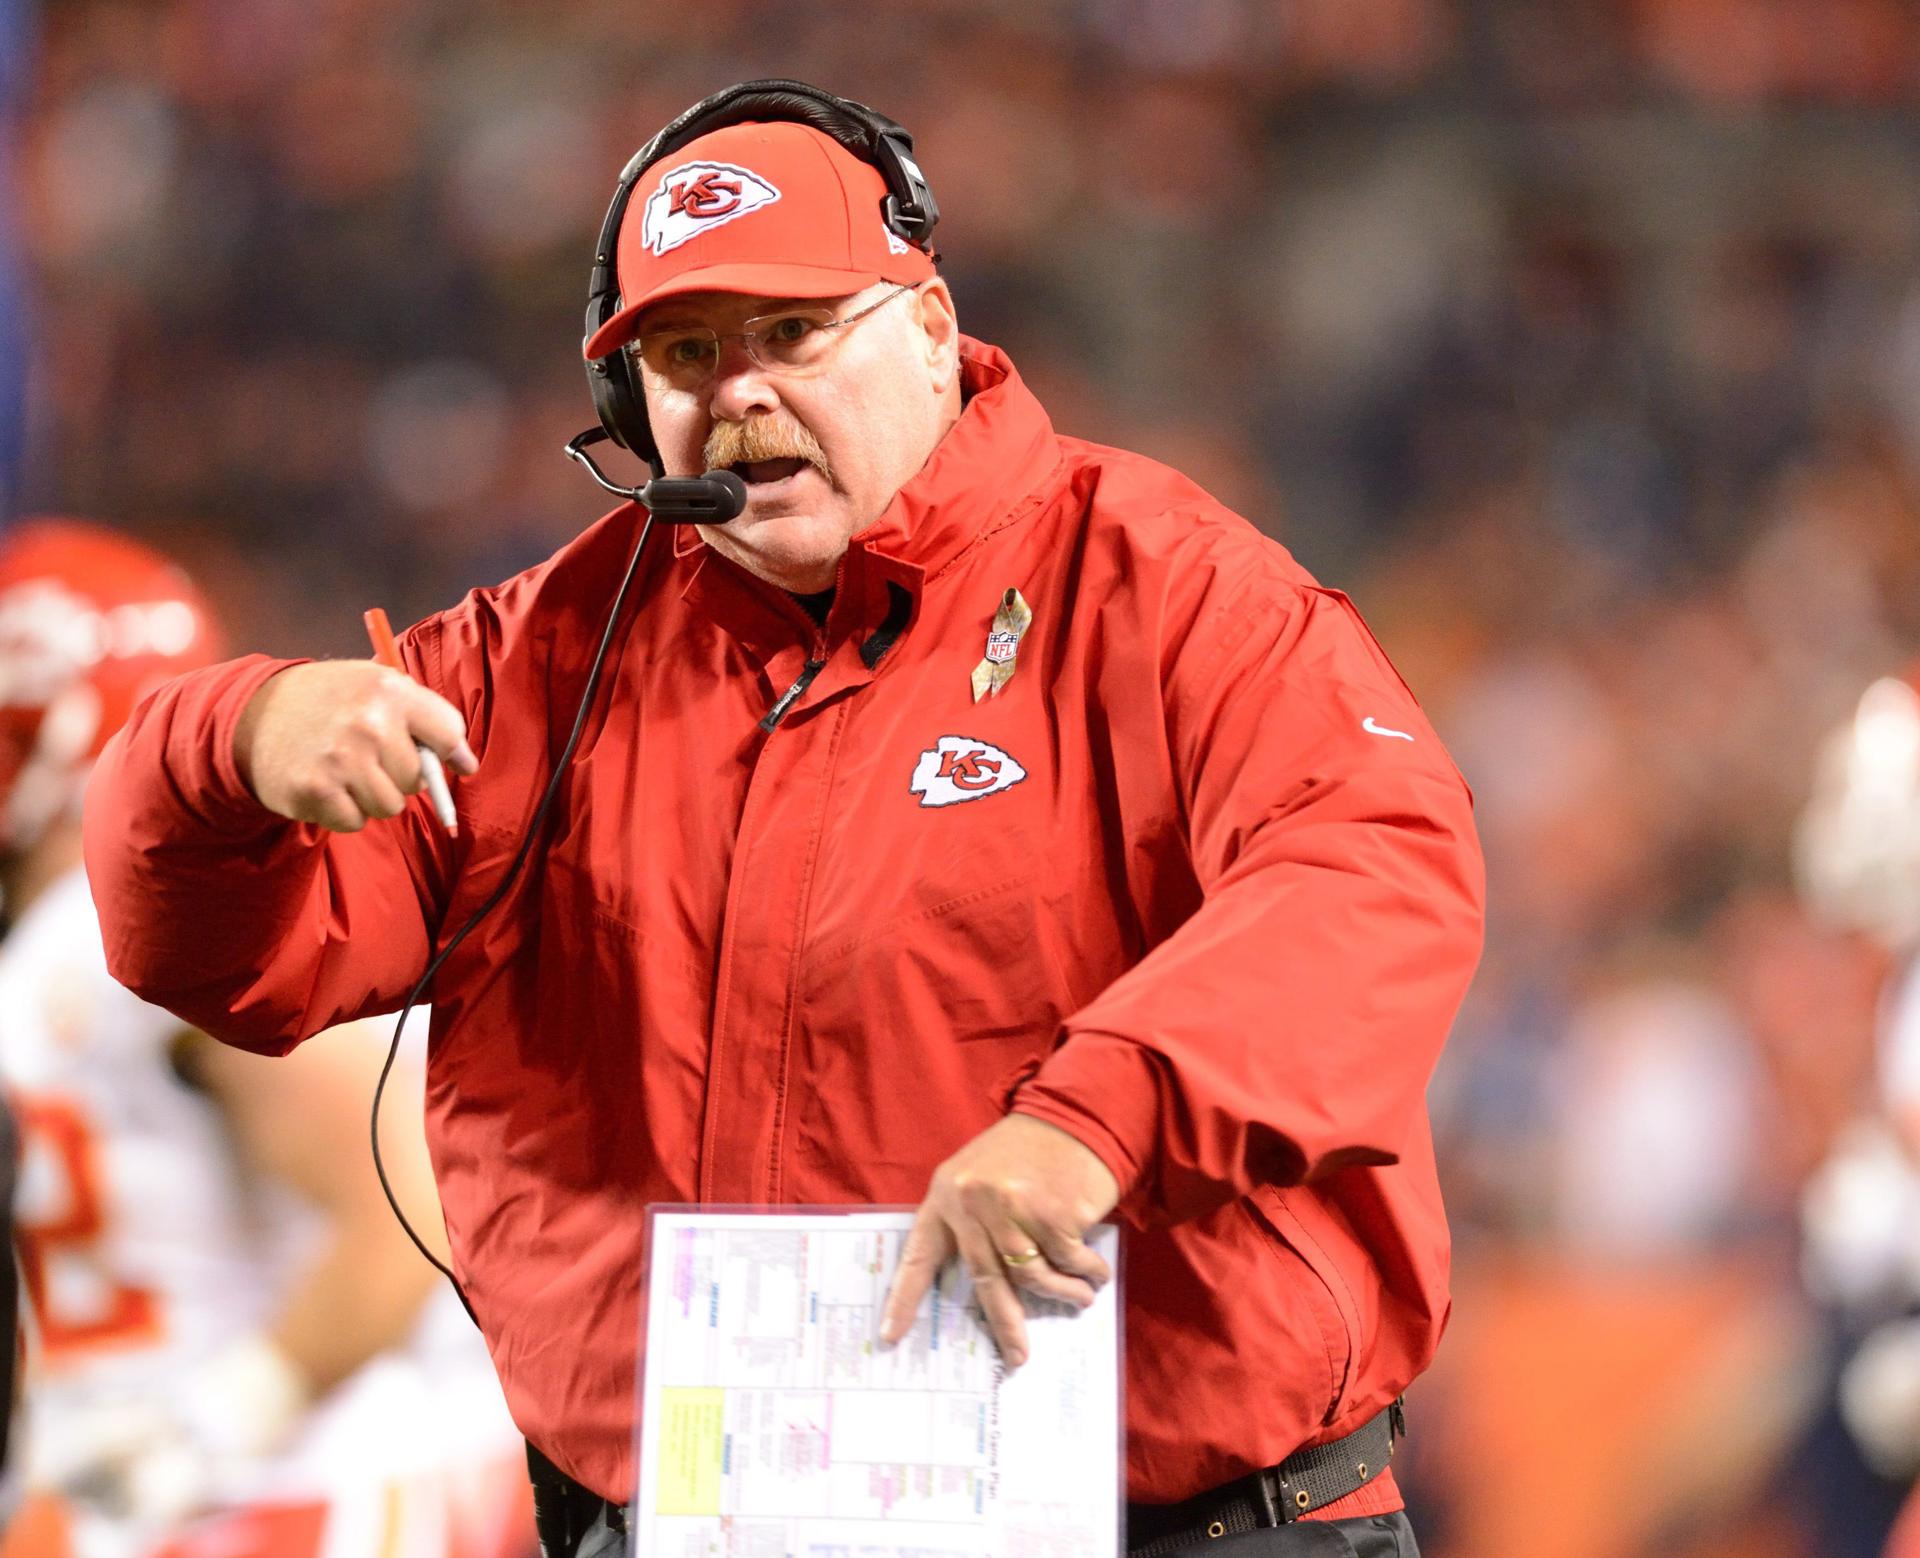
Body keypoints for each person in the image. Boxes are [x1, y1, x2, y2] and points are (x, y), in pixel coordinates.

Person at [82, 83, 1486, 1558]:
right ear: (633, 406)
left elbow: (1374, 872)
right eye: (685, 351)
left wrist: (1095, 1121)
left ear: (933, 331)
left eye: (793, 332)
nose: (737, 390)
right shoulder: (542, 654)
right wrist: (223, 743)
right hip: (693, 1520)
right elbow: (218, 959)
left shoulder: (1170, 589)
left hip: (1180, 1522)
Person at [0, 520, 533, 1558]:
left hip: (286, 1490)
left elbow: (402, 1197)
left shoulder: (131, 925)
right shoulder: (58, 944)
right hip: (161, 1487)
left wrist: (219, 1422)